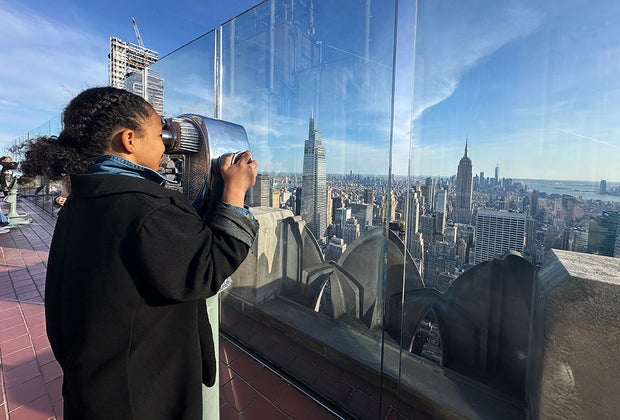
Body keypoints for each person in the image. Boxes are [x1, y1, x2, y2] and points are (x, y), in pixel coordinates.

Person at [20, 86, 259, 419]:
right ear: (129, 140)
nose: (166, 141)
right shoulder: (144, 208)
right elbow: (205, 269)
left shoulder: (86, 197)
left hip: (99, 379)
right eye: (160, 131)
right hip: (141, 393)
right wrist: (234, 194)